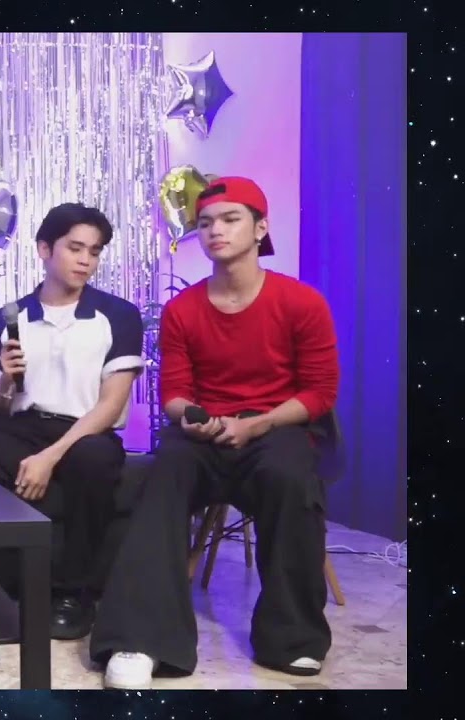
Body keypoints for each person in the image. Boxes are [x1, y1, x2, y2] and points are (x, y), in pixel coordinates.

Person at [90, 177, 340, 688]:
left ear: (261, 228)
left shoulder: (302, 303)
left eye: (229, 219)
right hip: (206, 432)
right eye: (205, 223)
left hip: (274, 426)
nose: (215, 231)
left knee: (290, 478)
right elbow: (175, 393)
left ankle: (292, 640)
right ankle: (139, 639)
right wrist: (195, 418)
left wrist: (259, 423)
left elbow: (320, 392)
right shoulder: (183, 310)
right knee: (162, 477)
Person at [0, 203, 144, 640]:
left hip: (86, 431)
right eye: (75, 248)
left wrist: (50, 458)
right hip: (25, 427)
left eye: (94, 251)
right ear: (44, 249)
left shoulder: (117, 315)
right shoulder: (12, 316)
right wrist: (5, 377)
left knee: (92, 460)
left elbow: (111, 406)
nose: (85, 260)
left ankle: (73, 593)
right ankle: (0, 589)